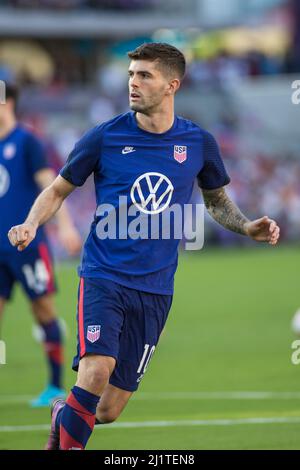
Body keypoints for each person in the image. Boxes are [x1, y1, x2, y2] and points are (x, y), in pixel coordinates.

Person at [7, 43, 280, 450]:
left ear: (172, 85)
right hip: (104, 276)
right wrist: (30, 222)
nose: (133, 83)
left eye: (144, 75)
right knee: (96, 371)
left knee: (107, 409)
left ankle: (62, 413)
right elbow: (58, 189)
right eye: (131, 74)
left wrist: (247, 227)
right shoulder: (105, 135)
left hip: (155, 289)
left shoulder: (198, 142)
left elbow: (217, 201)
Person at [0, 84, 81, 407]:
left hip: (27, 246)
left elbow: (50, 187)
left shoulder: (27, 141)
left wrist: (65, 226)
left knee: (43, 311)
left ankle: (54, 385)